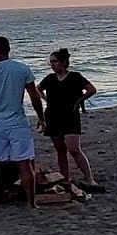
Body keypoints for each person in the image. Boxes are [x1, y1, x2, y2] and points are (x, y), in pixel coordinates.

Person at [0, 37, 45, 208]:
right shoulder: (21, 69)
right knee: (24, 163)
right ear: (8, 50)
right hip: (17, 120)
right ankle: (31, 203)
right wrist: (41, 117)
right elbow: (34, 95)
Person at [38, 48, 101, 192]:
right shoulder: (50, 79)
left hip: (70, 116)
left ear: (63, 62)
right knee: (60, 150)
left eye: (55, 62)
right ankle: (65, 179)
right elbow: (37, 89)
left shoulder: (75, 77)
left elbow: (91, 89)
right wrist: (46, 99)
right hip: (53, 116)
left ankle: (90, 179)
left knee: (74, 149)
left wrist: (79, 100)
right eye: (51, 62)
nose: (52, 65)